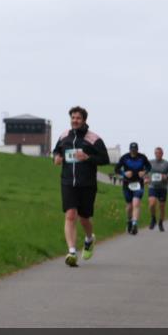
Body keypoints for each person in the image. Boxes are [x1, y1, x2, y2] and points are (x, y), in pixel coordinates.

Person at [52, 106, 111, 265]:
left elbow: (105, 159)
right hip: (67, 182)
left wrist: (87, 157)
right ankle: (71, 252)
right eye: (73, 118)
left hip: (87, 183)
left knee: (84, 218)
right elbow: (56, 151)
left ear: (84, 120)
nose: (75, 120)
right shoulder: (64, 136)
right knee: (70, 215)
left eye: (78, 118)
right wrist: (56, 157)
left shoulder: (93, 139)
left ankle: (89, 239)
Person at [116, 142, 151, 235]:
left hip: (139, 184)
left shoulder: (142, 157)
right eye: (132, 150)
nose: (133, 151)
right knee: (129, 206)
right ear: (129, 149)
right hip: (127, 184)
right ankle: (129, 221)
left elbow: (149, 167)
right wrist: (124, 173)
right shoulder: (124, 157)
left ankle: (135, 223)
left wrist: (144, 172)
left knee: (136, 203)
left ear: (137, 149)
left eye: (135, 150)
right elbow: (117, 169)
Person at [146, 147, 168, 232]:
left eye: (159, 153)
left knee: (162, 207)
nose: (158, 154)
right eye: (156, 153)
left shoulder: (166, 163)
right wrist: (146, 178)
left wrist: (167, 177)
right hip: (152, 186)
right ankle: (153, 219)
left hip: (162, 188)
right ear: (154, 153)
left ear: (162, 154)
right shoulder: (150, 162)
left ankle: (161, 222)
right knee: (152, 204)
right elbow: (144, 172)